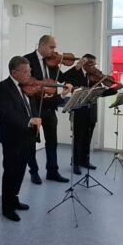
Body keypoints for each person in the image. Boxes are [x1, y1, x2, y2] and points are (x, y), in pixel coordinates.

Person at [0, 56, 41, 221]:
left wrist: (36, 117)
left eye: (29, 70)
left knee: (21, 171)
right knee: (10, 172)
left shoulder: (26, 87)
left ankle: (14, 199)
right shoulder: (2, 87)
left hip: (27, 136)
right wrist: (29, 120)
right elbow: (7, 114)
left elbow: (31, 107)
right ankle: (6, 207)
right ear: (14, 72)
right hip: (12, 137)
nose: (30, 74)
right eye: (26, 71)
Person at [23, 35, 72, 183]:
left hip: (50, 107)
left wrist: (67, 85)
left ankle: (52, 171)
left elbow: (62, 78)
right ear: (42, 45)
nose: (54, 51)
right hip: (34, 107)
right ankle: (34, 172)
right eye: (51, 47)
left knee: (52, 141)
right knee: (31, 142)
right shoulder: (27, 60)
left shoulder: (53, 63)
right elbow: (25, 84)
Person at [60, 54, 118, 175]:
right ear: (84, 63)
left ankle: (84, 160)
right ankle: (75, 163)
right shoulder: (75, 74)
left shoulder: (95, 77)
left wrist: (114, 89)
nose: (94, 67)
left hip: (91, 111)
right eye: (91, 64)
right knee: (78, 138)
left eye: (94, 64)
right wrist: (77, 67)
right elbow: (65, 80)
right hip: (78, 110)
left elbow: (101, 93)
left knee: (88, 137)